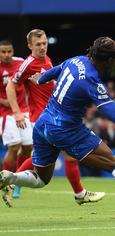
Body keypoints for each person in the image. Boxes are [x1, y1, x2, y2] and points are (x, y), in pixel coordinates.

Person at [0, 36, 115, 220]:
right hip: (66, 130)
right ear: (110, 61)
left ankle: (11, 177)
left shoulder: (75, 59)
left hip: (43, 124)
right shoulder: (92, 82)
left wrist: (40, 81)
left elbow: (52, 72)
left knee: (41, 179)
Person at [4, 29, 104, 206]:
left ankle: (12, 181)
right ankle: (80, 194)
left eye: (44, 44)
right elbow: (10, 86)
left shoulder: (47, 60)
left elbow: (49, 84)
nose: (42, 47)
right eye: (38, 45)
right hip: (45, 118)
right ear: (30, 46)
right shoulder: (28, 63)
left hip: (53, 115)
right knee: (70, 156)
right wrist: (17, 111)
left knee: (41, 159)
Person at [0, 40, 33, 198]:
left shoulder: (21, 63)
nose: (7, 55)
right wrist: (2, 100)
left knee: (28, 147)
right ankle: (5, 183)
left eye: (9, 51)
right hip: (6, 113)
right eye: (3, 52)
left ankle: (17, 183)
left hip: (24, 111)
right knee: (14, 147)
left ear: (13, 51)